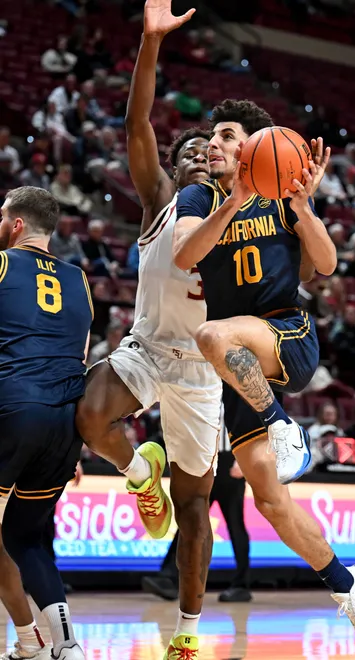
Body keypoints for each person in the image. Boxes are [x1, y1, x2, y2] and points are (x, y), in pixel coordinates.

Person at [174, 100, 355, 651]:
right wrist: (232, 206)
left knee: (212, 334)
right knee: (269, 498)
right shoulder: (197, 197)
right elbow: (182, 254)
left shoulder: (281, 194)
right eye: (211, 135)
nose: (213, 143)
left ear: (253, 147)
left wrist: (304, 206)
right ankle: (347, 585)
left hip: (286, 333)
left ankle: (281, 422)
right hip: (239, 368)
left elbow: (327, 264)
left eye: (227, 134)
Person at [74, 3, 222, 659]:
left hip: (201, 372)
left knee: (194, 511)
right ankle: (140, 472)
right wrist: (150, 44)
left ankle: (187, 633)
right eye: (184, 149)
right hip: (145, 351)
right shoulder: (160, 197)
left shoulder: (237, 217)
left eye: (205, 151)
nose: (195, 154)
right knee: (88, 415)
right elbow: (136, 120)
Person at [0, 186, 93, 659]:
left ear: (15, 224)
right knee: (23, 536)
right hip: (63, 427)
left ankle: (25, 638)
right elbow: (77, 359)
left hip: (12, 408)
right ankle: (65, 644)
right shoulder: (79, 280)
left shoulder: (1, 264)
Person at [142, 415, 252, 604]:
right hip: (205, 462)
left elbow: (249, 422)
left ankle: (241, 584)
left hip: (229, 463)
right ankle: (169, 577)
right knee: (190, 520)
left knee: (235, 524)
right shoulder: (205, 388)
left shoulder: (237, 391)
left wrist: (243, 459)